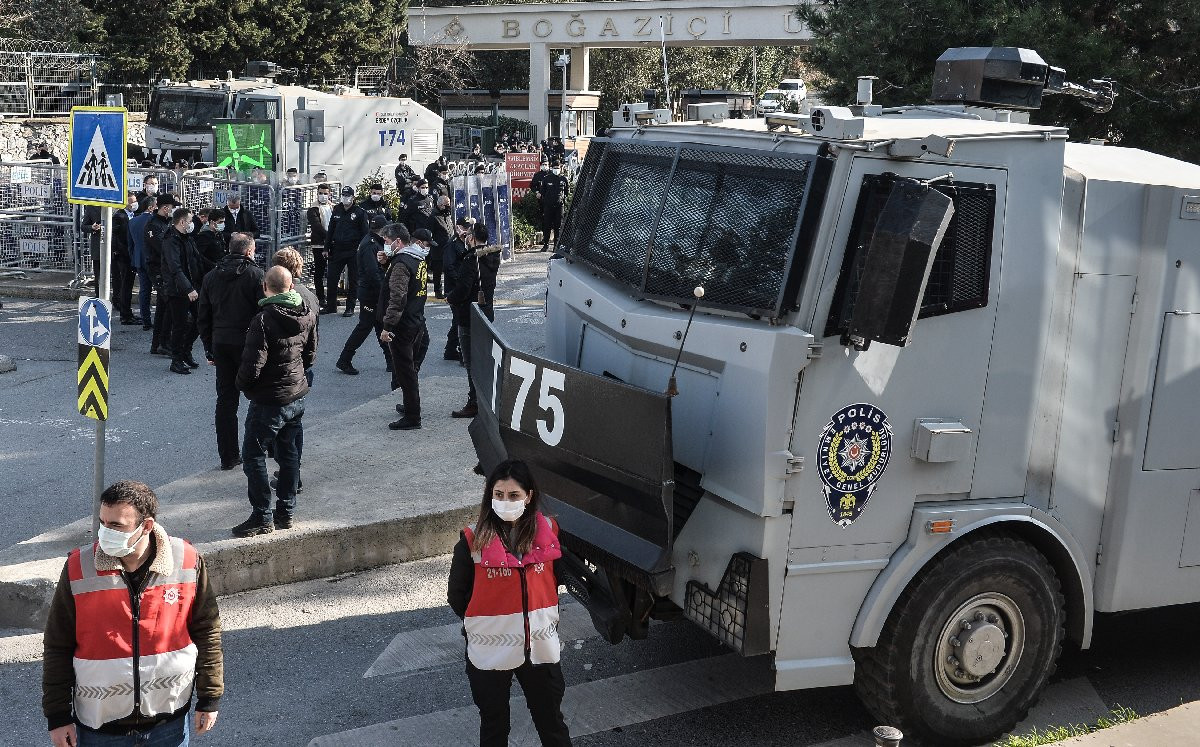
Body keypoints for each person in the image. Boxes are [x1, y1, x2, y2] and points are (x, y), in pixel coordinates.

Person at [43, 480, 223, 747]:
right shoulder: (78, 567)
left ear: (146, 526)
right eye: (103, 522)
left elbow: (207, 630)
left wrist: (209, 698)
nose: (105, 533)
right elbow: (58, 645)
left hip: (169, 722)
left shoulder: (186, 559)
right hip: (100, 727)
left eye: (116, 525)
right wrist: (57, 717)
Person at [447, 460, 572, 747]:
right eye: (498, 495)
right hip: (489, 652)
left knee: (551, 722)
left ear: (529, 496)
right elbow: (458, 597)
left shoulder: (549, 531)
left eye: (513, 495)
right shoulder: (471, 541)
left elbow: (557, 579)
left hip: (539, 650)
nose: (505, 501)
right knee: (494, 725)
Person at [234, 266, 316, 536]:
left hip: (269, 399)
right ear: (291, 286)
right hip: (296, 394)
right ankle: (287, 511)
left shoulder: (263, 319)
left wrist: (242, 386)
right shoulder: (306, 312)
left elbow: (253, 365)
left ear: (266, 288)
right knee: (289, 453)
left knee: (253, 455)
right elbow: (310, 356)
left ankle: (261, 515)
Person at [198, 233, 265, 470]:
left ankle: (228, 456)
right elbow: (264, 315)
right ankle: (256, 449)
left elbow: (203, 316)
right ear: (249, 252)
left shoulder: (211, 276)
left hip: (221, 343)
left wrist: (209, 348)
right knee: (259, 398)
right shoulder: (256, 276)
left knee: (226, 401)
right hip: (249, 345)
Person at [379, 225, 429, 430]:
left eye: (387, 241)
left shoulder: (401, 263)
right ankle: (411, 405)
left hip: (403, 325)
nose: (386, 245)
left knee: (405, 372)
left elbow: (398, 297)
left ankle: (412, 416)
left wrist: (388, 326)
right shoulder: (417, 258)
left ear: (398, 242)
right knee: (409, 370)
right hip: (416, 320)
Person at [335, 216, 392, 375]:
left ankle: (390, 360)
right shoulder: (369, 245)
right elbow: (373, 272)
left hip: (373, 292)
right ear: (381, 230)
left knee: (380, 324)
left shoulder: (374, 242)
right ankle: (345, 359)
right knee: (365, 326)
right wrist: (384, 291)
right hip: (370, 293)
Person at [161, 207, 202, 374]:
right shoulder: (171, 240)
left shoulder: (186, 238)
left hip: (192, 286)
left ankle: (186, 350)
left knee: (201, 320)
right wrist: (188, 289)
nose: (192, 224)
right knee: (179, 325)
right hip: (178, 290)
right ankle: (176, 360)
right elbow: (175, 268)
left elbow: (197, 259)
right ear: (182, 222)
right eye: (190, 221)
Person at [448, 221, 482, 417]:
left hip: (469, 315)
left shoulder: (471, 260)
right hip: (486, 314)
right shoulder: (492, 256)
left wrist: (451, 298)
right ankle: (482, 398)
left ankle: (475, 401)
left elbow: (463, 289)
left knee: (470, 361)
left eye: (468, 235)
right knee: (481, 359)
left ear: (472, 238)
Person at [323, 186, 368, 317]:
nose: (345, 198)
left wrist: (361, 250)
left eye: (348, 196)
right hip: (337, 249)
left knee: (354, 280)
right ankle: (331, 306)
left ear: (353, 198)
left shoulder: (359, 212)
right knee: (331, 278)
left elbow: (365, 233)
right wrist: (326, 248)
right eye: (343, 195)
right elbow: (331, 230)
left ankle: (350, 307)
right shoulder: (337, 209)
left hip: (353, 250)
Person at [146, 195, 181, 356]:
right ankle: (163, 343)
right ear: (165, 207)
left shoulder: (165, 223)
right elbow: (163, 249)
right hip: (158, 271)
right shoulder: (154, 225)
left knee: (163, 308)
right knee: (167, 308)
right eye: (172, 207)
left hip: (165, 270)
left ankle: (158, 344)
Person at [128, 195, 157, 330]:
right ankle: (161, 320)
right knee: (161, 289)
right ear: (151, 207)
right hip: (154, 259)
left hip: (139, 259)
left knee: (144, 290)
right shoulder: (155, 220)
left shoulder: (133, 221)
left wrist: (134, 259)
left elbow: (130, 245)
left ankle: (146, 320)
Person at [111, 193, 140, 325]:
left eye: (135, 201)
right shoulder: (119, 216)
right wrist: (122, 252)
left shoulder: (133, 215)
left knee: (128, 286)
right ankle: (125, 315)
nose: (134, 204)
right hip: (123, 257)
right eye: (131, 202)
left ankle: (128, 313)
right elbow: (115, 238)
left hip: (130, 256)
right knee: (125, 286)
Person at [306, 183, 334, 309]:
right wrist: (329, 238)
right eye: (320, 193)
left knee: (333, 272)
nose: (323, 196)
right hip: (319, 244)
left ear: (330, 194)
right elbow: (316, 227)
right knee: (319, 271)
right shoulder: (313, 208)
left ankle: (331, 298)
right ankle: (321, 297)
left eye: (325, 193)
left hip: (333, 243)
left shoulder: (333, 207)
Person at [538, 160, 570, 252]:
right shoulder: (547, 179)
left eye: (558, 168)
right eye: (555, 168)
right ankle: (546, 245)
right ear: (552, 168)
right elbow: (542, 192)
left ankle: (556, 246)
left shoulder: (564, 179)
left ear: (560, 168)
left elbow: (567, 192)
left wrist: (563, 200)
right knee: (547, 225)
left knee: (558, 226)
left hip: (559, 206)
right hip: (548, 205)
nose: (556, 169)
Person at [475, 223, 503, 322]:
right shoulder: (493, 254)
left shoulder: (474, 257)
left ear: (473, 238)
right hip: (489, 301)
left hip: (475, 305)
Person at [428, 194, 453, 299]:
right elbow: (430, 232)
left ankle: (449, 290)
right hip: (438, 248)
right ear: (440, 205)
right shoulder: (433, 216)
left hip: (448, 247)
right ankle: (437, 291)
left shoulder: (447, 215)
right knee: (437, 271)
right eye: (446, 205)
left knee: (448, 269)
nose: (448, 206)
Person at [194, 207, 228, 281]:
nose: (222, 224)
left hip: (220, 271)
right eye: (220, 222)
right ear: (212, 222)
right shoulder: (204, 236)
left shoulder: (219, 234)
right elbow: (199, 255)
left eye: (223, 222)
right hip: (209, 273)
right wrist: (213, 265)